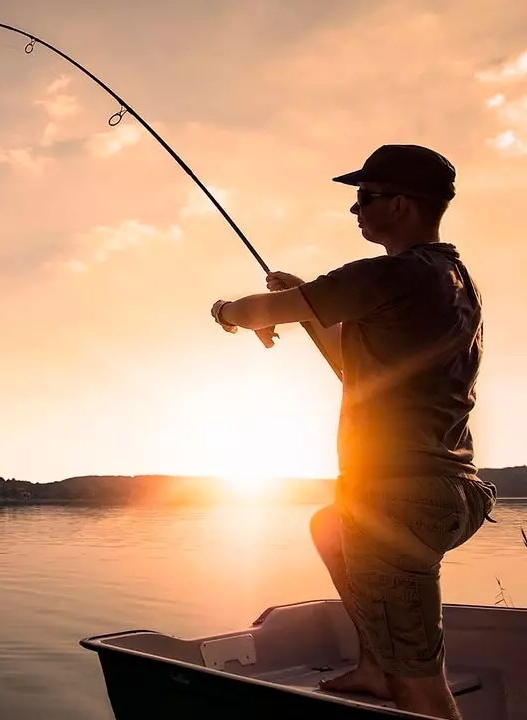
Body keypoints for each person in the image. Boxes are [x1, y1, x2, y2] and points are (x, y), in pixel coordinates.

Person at [207, 144, 497, 720]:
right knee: (332, 527)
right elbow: (353, 366)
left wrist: (228, 311)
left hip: (397, 501)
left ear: (402, 205)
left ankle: (395, 675)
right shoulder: (453, 280)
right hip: (453, 493)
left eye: (365, 197)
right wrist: (303, 307)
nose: (355, 210)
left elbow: (250, 309)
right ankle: (372, 664)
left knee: (421, 691)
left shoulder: (389, 274)